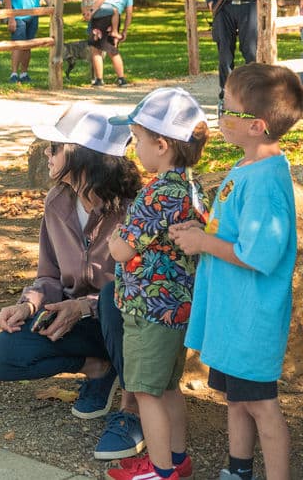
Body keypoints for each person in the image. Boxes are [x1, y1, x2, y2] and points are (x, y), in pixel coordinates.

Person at [0, 102, 147, 460]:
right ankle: (98, 369)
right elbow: (49, 275)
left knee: (110, 299)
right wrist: (29, 305)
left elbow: (139, 290)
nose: (47, 153)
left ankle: (133, 409)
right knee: (0, 356)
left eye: (55, 147)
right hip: (80, 323)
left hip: (128, 323)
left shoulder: (136, 207)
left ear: (82, 155)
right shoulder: (57, 201)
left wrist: (83, 306)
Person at [171, 63, 303, 480]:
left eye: (226, 108)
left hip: (251, 320)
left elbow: (258, 254)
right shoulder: (247, 166)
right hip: (233, 316)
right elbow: (234, 230)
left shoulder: (264, 181)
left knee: (261, 405)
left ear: (256, 126)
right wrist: (201, 230)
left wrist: (203, 243)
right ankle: (238, 470)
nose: (219, 114)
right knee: (236, 400)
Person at [104, 87, 210, 480]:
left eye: (137, 138)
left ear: (162, 144)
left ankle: (161, 471)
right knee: (167, 387)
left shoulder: (158, 192)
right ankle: (177, 459)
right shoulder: (189, 186)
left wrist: (115, 236)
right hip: (176, 308)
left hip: (149, 310)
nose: (134, 147)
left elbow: (120, 249)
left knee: (146, 392)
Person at [2, 0, 50, 83]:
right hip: (18, 15)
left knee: (28, 45)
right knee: (18, 44)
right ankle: (13, 74)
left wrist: (54, 8)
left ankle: (24, 73)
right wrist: (10, 17)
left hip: (33, 16)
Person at [88, 0, 133, 88]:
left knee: (96, 49)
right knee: (113, 49)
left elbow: (99, 2)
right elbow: (129, 13)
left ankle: (99, 80)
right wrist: (124, 31)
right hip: (115, 20)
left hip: (101, 18)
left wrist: (90, 14)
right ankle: (121, 79)